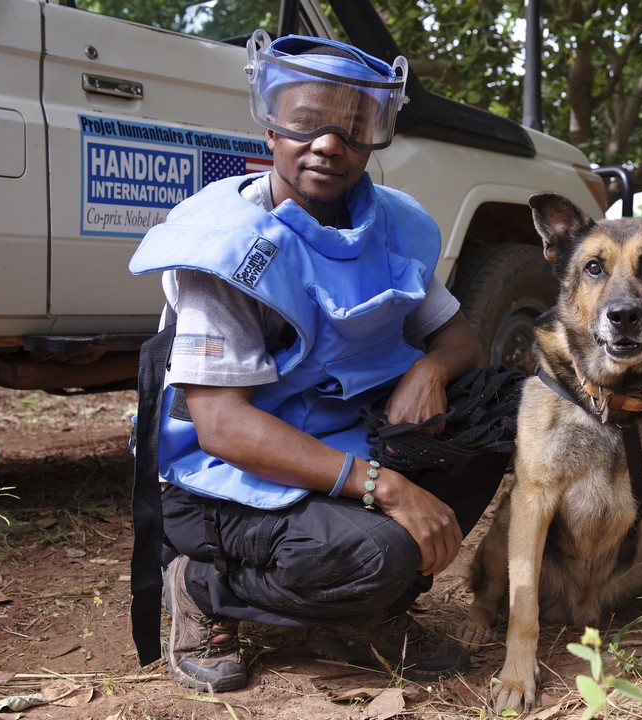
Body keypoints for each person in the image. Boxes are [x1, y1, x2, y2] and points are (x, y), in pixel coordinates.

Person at [127, 30, 508, 693]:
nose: (329, 143)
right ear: (270, 128)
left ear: (373, 136)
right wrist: (383, 487)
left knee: (505, 412)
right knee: (384, 551)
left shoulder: (388, 223)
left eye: (353, 128)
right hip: (219, 479)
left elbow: (458, 341)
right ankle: (203, 584)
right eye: (305, 123)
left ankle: (363, 613)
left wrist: (429, 371)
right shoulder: (232, 248)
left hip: (336, 439)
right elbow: (220, 428)